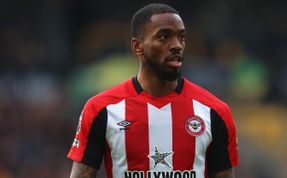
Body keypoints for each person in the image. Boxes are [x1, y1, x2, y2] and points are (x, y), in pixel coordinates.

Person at [68, 3, 238, 178]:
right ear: (137, 46)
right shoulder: (101, 109)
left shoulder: (214, 111)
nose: (177, 45)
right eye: (164, 37)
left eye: (181, 37)